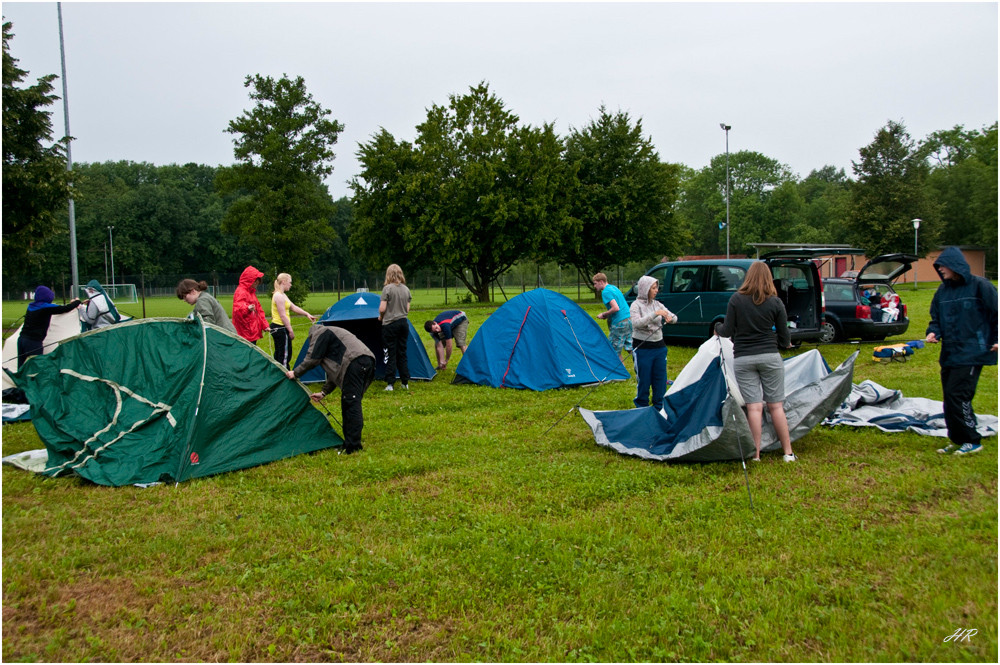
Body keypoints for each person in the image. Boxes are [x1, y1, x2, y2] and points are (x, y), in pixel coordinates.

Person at [713, 261, 796, 462]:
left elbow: (727, 330)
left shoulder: (736, 299)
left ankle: (755, 454)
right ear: (769, 278)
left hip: (744, 358)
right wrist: (785, 344)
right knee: (776, 406)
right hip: (770, 356)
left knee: (754, 407)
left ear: (748, 276)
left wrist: (717, 326)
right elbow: (785, 336)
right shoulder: (775, 302)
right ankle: (788, 452)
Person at [925, 247, 998, 456]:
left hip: (974, 352)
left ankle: (972, 440)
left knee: (959, 395)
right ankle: (957, 439)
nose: (939, 269)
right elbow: (935, 318)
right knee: (950, 397)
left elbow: (996, 314)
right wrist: (933, 332)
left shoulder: (980, 286)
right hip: (950, 354)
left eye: (942, 265)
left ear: (954, 265)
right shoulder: (942, 292)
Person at [286, 324, 375, 455]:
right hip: (367, 362)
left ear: (311, 336)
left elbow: (312, 359)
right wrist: (324, 392)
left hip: (355, 362)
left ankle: (353, 446)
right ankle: (350, 442)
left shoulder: (320, 333)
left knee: (351, 403)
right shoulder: (332, 335)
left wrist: (295, 373)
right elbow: (335, 371)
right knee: (349, 402)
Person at [629, 275, 677, 412]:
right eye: (653, 288)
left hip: (660, 347)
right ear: (645, 289)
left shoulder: (658, 304)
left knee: (660, 380)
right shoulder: (635, 305)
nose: (656, 291)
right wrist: (655, 314)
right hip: (643, 348)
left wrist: (669, 318)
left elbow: (675, 317)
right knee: (644, 380)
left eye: (657, 288)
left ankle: (659, 408)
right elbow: (636, 323)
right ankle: (642, 408)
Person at [17, 286, 82, 366]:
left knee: (21, 367)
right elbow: (65, 308)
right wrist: (77, 302)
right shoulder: (46, 308)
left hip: (21, 339)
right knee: (36, 367)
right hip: (33, 342)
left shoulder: (31, 306)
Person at [270, 273, 317, 368]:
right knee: (284, 355)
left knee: (283, 353)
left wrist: (307, 314)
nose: (291, 285)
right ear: (284, 282)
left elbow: (293, 307)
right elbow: (283, 316)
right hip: (280, 328)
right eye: (290, 282)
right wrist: (290, 330)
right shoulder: (278, 296)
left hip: (282, 328)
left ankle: (279, 375)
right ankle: (284, 376)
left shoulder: (283, 295)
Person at [379, 263, 411, 391]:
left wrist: (381, 316)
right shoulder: (406, 289)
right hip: (403, 323)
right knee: (402, 352)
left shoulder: (387, 289)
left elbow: (382, 308)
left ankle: (390, 383)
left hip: (390, 324)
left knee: (390, 353)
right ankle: (405, 382)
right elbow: (407, 309)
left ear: (389, 274)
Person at [592, 272, 633, 363]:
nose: (594, 286)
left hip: (619, 323)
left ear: (601, 282)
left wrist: (604, 314)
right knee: (630, 348)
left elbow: (616, 308)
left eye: (595, 283)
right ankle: (642, 367)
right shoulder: (614, 288)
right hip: (628, 320)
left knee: (613, 351)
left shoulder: (606, 291)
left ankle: (619, 375)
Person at [232, 265, 269, 343]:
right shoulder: (241, 291)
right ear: (249, 280)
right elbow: (237, 308)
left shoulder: (251, 292)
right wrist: (247, 308)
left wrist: (265, 325)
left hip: (252, 331)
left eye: (257, 283)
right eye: (255, 282)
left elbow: (258, 310)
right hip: (244, 332)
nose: (256, 284)